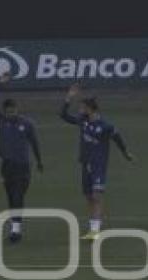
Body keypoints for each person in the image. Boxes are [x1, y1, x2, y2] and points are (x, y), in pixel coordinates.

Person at [60, 84, 134, 240]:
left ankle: (95, 230)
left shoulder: (106, 126)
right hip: (85, 165)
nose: (79, 110)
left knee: (97, 196)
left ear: (90, 109)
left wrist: (125, 152)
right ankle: (93, 228)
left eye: (82, 107)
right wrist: (68, 98)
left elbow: (118, 138)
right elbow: (63, 115)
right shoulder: (82, 121)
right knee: (89, 197)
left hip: (98, 165)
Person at [0, 73, 44, 244]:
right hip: (7, 166)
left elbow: (35, 142)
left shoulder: (26, 124)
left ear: (17, 109)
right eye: (8, 111)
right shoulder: (2, 121)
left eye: (14, 110)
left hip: (22, 166)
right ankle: (14, 228)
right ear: (5, 112)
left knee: (18, 195)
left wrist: (39, 161)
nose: (12, 113)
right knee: (11, 197)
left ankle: (16, 231)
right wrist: (0, 85)